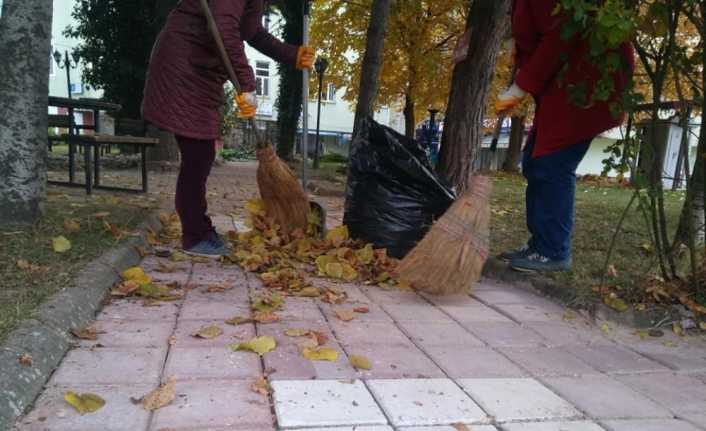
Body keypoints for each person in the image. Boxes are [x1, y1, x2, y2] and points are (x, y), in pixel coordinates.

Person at [142, 0, 315, 258]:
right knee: (198, 154)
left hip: (201, 66)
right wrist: (247, 84)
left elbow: (252, 30)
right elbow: (223, 27)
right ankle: (196, 235)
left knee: (200, 153)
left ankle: (198, 231)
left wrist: (291, 53)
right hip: (185, 64)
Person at [495, 0, 634, 272]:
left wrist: (521, 86)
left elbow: (559, 37)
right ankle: (540, 246)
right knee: (535, 162)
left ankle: (553, 251)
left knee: (552, 164)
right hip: (564, 82)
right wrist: (517, 51)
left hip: (587, 83)